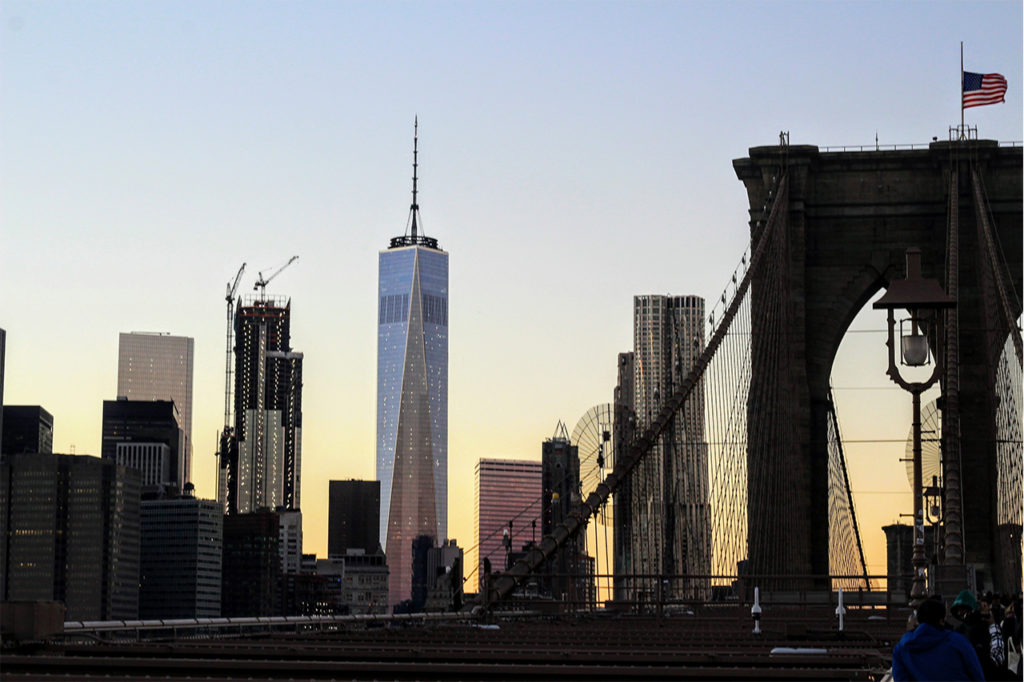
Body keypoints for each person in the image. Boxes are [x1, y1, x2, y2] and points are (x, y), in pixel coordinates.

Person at [892, 597, 984, 681]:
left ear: (918, 619)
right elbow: (976, 674)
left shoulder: (901, 648)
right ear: (941, 620)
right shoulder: (958, 641)